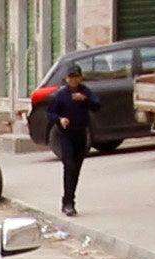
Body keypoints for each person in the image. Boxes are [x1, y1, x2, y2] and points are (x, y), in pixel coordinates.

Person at [48, 63, 101, 215]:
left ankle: (71, 199)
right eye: (71, 77)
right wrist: (60, 119)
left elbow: (97, 106)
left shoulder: (85, 92)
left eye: (76, 77)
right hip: (66, 134)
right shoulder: (61, 95)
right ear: (66, 79)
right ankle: (67, 202)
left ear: (80, 78)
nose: (73, 80)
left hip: (81, 133)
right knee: (69, 166)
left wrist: (85, 99)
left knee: (76, 169)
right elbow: (51, 113)